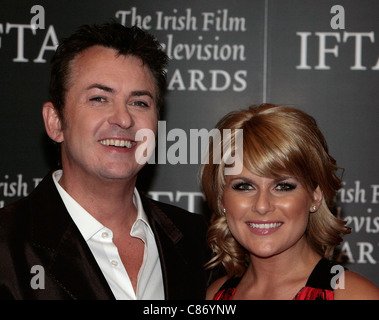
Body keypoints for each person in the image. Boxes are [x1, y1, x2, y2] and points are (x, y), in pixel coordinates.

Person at [0, 22, 209, 300]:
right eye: (99, 98)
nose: (123, 119)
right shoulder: (6, 246)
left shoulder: (201, 243)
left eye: (140, 103)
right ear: (55, 122)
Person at [201, 104, 379, 300]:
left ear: (315, 196)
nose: (262, 205)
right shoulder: (213, 297)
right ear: (221, 199)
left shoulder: (354, 295)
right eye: (244, 186)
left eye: (283, 187)